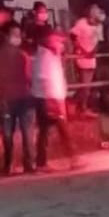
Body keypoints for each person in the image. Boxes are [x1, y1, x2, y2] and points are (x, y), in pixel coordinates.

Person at [32, 30, 80, 171]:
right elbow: (44, 79)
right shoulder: (45, 57)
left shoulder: (51, 55)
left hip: (51, 97)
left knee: (45, 131)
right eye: (58, 41)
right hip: (49, 98)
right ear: (48, 42)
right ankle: (73, 159)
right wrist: (51, 102)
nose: (61, 44)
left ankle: (41, 163)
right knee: (62, 130)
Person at [0, 23, 35, 175]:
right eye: (15, 34)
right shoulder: (23, 55)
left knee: (8, 134)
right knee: (26, 132)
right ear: (7, 35)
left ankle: (9, 165)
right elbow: (29, 77)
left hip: (9, 98)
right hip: (19, 97)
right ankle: (29, 165)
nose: (18, 37)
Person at [70, 4, 106, 117]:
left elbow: (98, 40)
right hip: (81, 56)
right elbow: (73, 37)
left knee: (88, 86)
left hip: (91, 57)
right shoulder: (81, 23)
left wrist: (93, 51)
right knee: (85, 85)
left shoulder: (99, 26)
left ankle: (78, 105)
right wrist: (82, 50)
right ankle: (81, 107)